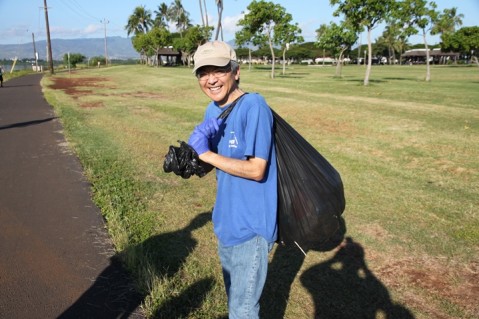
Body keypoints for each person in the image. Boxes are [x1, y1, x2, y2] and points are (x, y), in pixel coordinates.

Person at [187, 41, 277, 319]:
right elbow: (209, 162)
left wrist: (206, 154)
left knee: (242, 310)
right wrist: (189, 157)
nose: (211, 79)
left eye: (219, 70)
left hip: (251, 225)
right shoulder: (212, 110)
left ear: (236, 71)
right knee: (235, 302)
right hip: (225, 221)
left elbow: (256, 169)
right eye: (203, 72)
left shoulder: (254, 106)